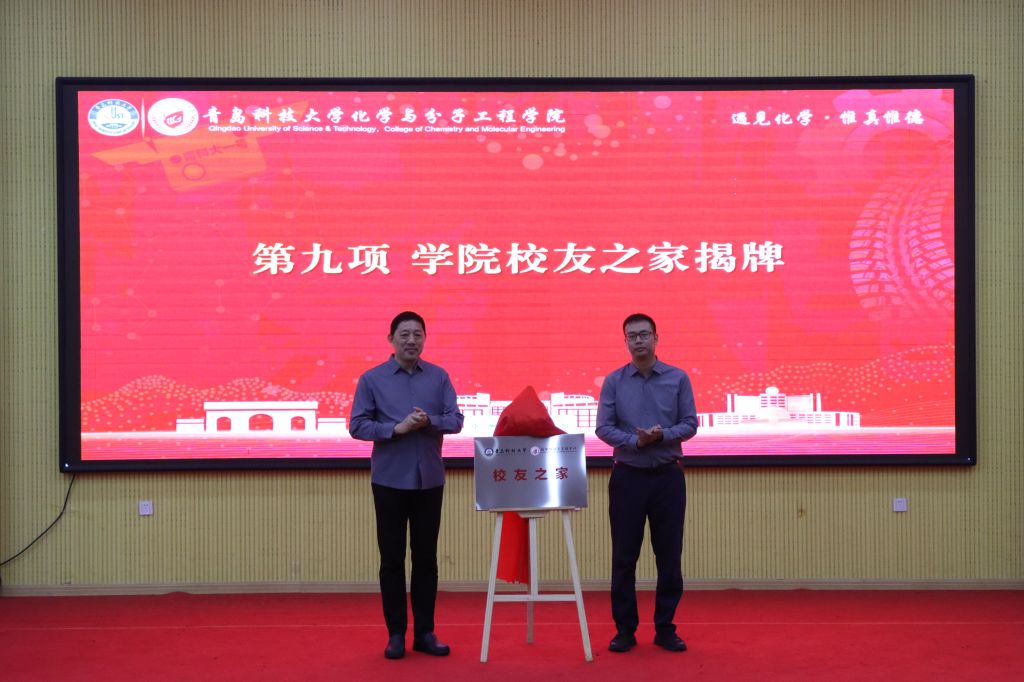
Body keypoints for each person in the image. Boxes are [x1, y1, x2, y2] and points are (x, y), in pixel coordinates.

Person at [349, 311, 464, 660]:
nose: (411, 340)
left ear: (425, 339)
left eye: (417, 334)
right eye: (404, 334)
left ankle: (425, 633)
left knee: (426, 559)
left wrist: (429, 422)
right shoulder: (372, 379)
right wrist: (394, 429)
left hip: (429, 479)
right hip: (389, 480)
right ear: (391, 339)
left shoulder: (439, 377)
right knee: (392, 559)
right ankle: (396, 634)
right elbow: (357, 426)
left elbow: (456, 421)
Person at [596, 313, 698, 653]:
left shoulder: (678, 378)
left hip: (668, 477)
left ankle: (665, 628)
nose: (638, 341)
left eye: (644, 334)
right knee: (624, 557)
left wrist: (661, 436)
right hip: (628, 476)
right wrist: (635, 441)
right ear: (625, 341)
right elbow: (603, 428)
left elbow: (690, 423)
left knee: (669, 555)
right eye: (632, 336)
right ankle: (625, 630)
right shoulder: (614, 381)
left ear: (656, 338)